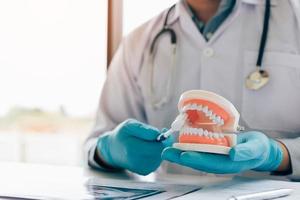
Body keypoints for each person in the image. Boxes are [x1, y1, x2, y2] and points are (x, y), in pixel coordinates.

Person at [85, 0, 300, 180]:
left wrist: (278, 154)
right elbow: (95, 144)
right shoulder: (138, 42)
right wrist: (108, 151)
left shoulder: (294, 17)